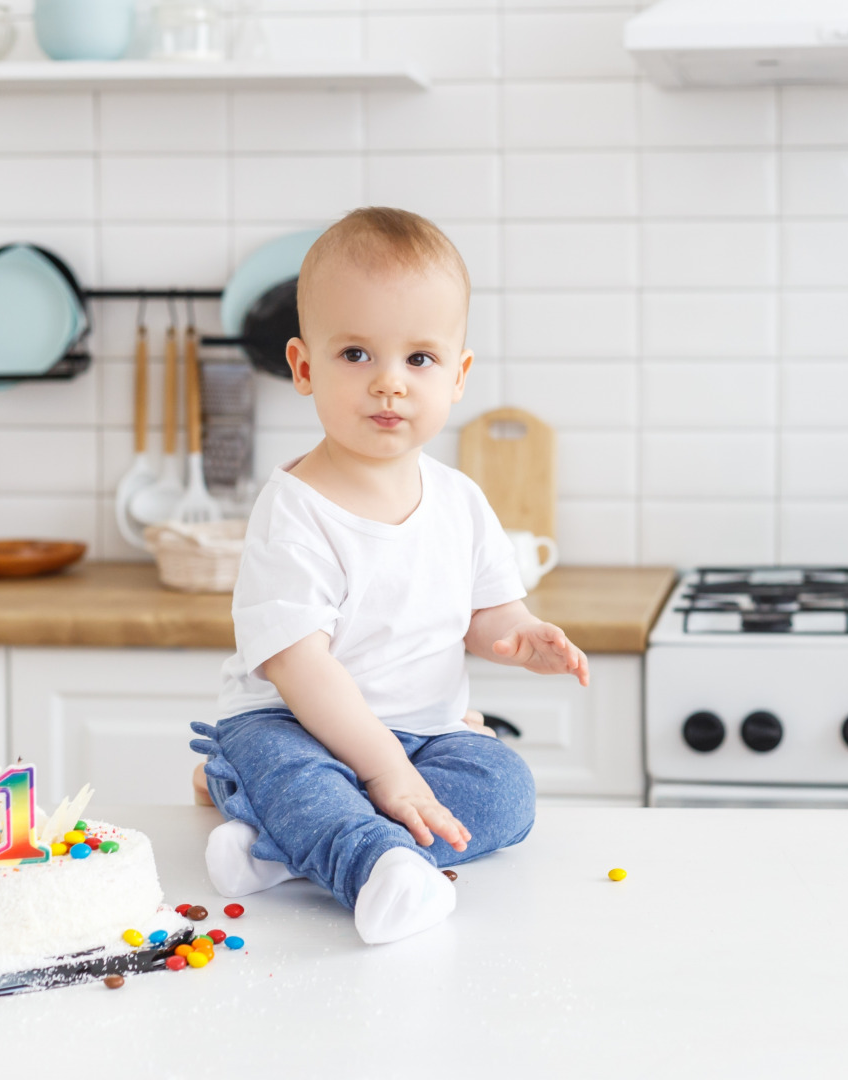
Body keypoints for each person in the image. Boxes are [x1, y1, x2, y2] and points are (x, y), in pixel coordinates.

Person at [189, 207, 590, 945]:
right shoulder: (294, 510)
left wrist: (523, 638)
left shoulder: (461, 500)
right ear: (304, 367)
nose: (389, 385)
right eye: (356, 356)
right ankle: (376, 868)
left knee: (506, 790)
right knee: (294, 769)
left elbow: (490, 614)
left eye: (419, 360)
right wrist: (385, 773)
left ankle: (284, 848)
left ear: (459, 375)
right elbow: (300, 668)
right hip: (296, 724)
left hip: (424, 733)